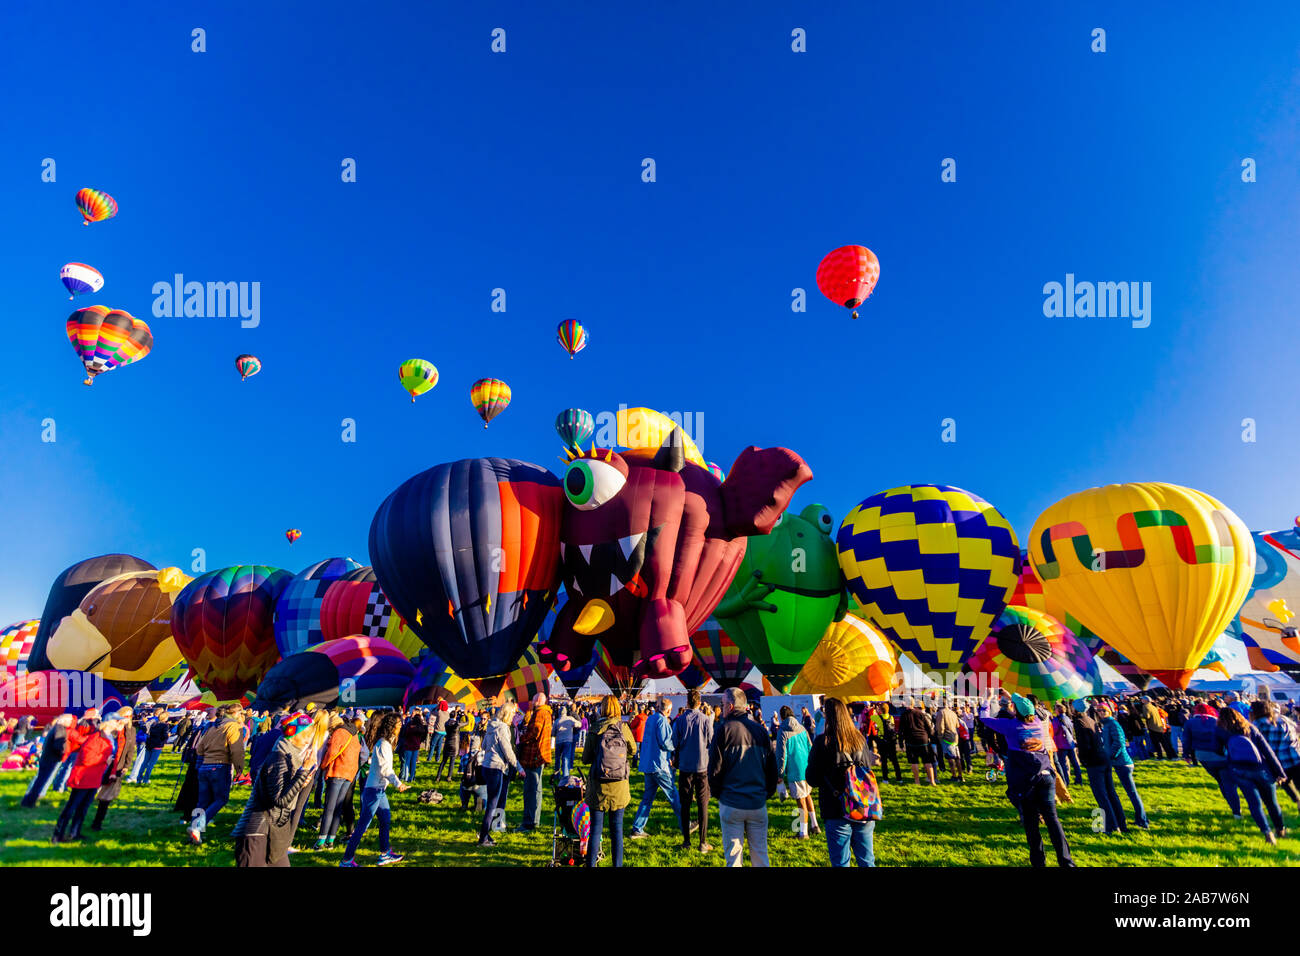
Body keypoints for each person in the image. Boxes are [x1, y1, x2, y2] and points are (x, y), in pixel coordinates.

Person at [979, 694, 1075, 867]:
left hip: (1026, 779)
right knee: (1052, 819)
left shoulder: (1011, 726)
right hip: (1045, 774)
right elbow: (1029, 706)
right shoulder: (1037, 722)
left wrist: (987, 702)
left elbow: (984, 719)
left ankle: (1039, 862)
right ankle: (1066, 861)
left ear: (1015, 710)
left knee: (1031, 823)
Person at [233, 712, 320, 866]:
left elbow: (284, 792)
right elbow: (280, 799)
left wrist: (301, 780)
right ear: (293, 735)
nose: (308, 740)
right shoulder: (278, 758)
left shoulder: (290, 758)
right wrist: (302, 773)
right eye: (306, 735)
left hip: (275, 829)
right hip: (257, 830)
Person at [708, 687, 777, 867]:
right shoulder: (761, 731)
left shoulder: (723, 730)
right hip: (756, 802)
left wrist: (719, 794)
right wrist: (766, 793)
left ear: (730, 706)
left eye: (722, 705)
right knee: (761, 854)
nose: (721, 709)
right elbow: (771, 768)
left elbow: (714, 770)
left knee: (733, 858)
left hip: (732, 802)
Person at [806, 697, 879, 866]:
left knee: (840, 862)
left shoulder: (822, 742)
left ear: (827, 716)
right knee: (867, 860)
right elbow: (867, 769)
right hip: (862, 804)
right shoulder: (859, 739)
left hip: (836, 807)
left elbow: (812, 778)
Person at [339, 712, 408, 866]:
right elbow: (385, 769)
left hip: (379, 790)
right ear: (392, 727)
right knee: (362, 827)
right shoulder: (383, 744)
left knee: (385, 819)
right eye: (398, 724)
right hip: (374, 791)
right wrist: (398, 784)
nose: (401, 726)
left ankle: (384, 854)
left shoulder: (386, 743)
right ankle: (346, 860)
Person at [1218, 706, 1288, 844]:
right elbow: (1268, 752)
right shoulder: (1250, 728)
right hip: (1261, 769)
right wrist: (1280, 772)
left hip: (1239, 770)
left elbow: (1217, 750)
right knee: (1272, 803)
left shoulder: (1221, 731)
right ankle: (1280, 830)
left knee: (1254, 804)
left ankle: (1267, 833)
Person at [583, 695, 638, 867]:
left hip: (598, 787)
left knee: (595, 831)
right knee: (617, 830)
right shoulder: (623, 728)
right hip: (619, 787)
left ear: (602, 709)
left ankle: (591, 864)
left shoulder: (595, 728)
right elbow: (633, 749)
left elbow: (585, 758)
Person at [52, 713, 121, 844]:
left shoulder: (108, 738)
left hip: (94, 778)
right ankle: (58, 835)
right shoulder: (96, 738)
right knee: (71, 807)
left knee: (83, 809)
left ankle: (74, 833)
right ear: (109, 722)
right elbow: (86, 759)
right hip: (83, 778)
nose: (118, 724)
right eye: (116, 721)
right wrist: (105, 761)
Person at [188, 704, 246, 844]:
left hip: (205, 766)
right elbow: (236, 750)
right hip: (220, 766)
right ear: (236, 714)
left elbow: (199, 748)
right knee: (221, 798)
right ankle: (198, 827)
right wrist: (239, 768)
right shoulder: (233, 727)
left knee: (202, 801)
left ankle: (194, 831)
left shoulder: (213, 726)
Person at [630, 697, 680, 838]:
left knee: (648, 798)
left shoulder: (651, 719)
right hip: (660, 765)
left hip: (648, 764)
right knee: (673, 795)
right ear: (669, 710)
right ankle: (685, 823)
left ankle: (637, 828)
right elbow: (665, 742)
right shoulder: (662, 721)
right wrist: (675, 746)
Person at [672, 688, 713, 853]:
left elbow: (674, 741)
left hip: (685, 767)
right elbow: (711, 741)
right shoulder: (705, 720)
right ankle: (703, 842)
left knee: (685, 804)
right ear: (699, 702)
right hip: (702, 766)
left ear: (687, 702)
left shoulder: (680, 721)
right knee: (703, 804)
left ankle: (686, 841)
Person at [1097, 702, 1150, 830]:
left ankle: (1142, 821)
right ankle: (1141, 819)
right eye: (1099, 710)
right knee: (1130, 792)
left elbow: (1120, 742)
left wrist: (1111, 757)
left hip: (1123, 763)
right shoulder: (1106, 725)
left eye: (1104, 710)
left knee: (1132, 792)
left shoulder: (1113, 724)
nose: (1101, 712)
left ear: (1110, 711)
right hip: (1118, 762)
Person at [315, 713, 361, 849]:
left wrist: (323, 766)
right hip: (349, 773)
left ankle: (321, 842)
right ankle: (331, 841)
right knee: (337, 808)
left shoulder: (339, 732)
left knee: (329, 808)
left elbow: (332, 752)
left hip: (338, 771)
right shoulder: (354, 734)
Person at [477, 701, 520, 847]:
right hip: (496, 767)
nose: (514, 716)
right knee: (492, 805)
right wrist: (519, 767)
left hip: (486, 766)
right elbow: (508, 751)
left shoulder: (490, 725)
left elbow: (483, 746)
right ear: (508, 714)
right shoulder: (502, 728)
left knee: (491, 802)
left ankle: (486, 834)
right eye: (513, 713)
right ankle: (483, 838)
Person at [89, 708, 136, 832]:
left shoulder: (131, 730)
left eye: (130, 716)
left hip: (117, 767)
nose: (127, 718)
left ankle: (97, 822)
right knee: (91, 791)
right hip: (104, 765)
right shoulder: (112, 730)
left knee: (107, 796)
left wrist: (127, 765)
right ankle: (81, 813)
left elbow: (130, 749)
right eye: (125, 715)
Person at [775, 705, 818, 838]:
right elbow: (810, 746)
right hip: (807, 768)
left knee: (800, 802)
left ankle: (803, 833)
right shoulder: (802, 728)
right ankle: (814, 825)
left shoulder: (783, 731)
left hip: (795, 771)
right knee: (807, 796)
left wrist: (780, 774)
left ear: (782, 717)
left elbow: (782, 755)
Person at [1251, 699, 1300, 810]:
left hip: (1277, 762)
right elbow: (1296, 730)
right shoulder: (1283, 718)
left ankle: (1297, 800)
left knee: (1285, 783)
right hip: (1295, 756)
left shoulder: (1258, 724)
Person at [515, 694, 553, 833]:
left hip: (533, 756)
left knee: (530, 790)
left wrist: (520, 739)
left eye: (533, 700)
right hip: (541, 755)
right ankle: (535, 820)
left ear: (537, 701)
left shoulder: (539, 714)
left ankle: (528, 823)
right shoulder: (548, 713)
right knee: (537, 789)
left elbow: (534, 733)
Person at [22, 714, 72, 807]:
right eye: (69, 721)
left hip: (47, 757)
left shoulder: (56, 728)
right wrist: (63, 753)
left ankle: (28, 800)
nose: (70, 723)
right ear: (65, 721)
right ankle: (29, 801)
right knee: (41, 781)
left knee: (40, 780)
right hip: (51, 758)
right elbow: (58, 745)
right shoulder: (60, 729)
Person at [898, 701, 936, 786]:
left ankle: (917, 781)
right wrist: (930, 737)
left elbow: (901, 731)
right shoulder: (920, 713)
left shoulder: (904, 715)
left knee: (914, 762)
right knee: (927, 761)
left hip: (911, 740)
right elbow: (928, 727)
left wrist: (901, 743)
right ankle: (932, 781)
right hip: (923, 739)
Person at [133, 711, 170, 785]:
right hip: (157, 746)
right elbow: (164, 736)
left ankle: (139, 778)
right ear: (165, 718)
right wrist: (168, 736)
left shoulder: (154, 724)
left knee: (145, 762)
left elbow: (148, 732)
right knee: (151, 764)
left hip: (149, 744)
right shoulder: (165, 726)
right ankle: (146, 780)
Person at [1051, 703, 1084, 785]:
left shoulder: (1056, 720)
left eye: (1055, 709)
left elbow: (1054, 731)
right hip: (1070, 743)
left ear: (1058, 710)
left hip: (1061, 744)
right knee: (1075, 762)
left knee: (1062, 764)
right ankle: (1079, 779)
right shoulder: (1068, 718)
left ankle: (1066, 781)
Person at [398, 710, 426, 782]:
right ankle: (412, 777)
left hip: (408, 746)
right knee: (413, 763)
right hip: (416, 746)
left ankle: (407, 777)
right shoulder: (420, 727)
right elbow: (423, 735)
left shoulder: (409, 726)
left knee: (407, 762)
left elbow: (405, 733)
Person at [435, 708, 463, 782]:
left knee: (443, 761)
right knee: (452, 761)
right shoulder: (456, 724)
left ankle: (438, 776)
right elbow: (466, 722)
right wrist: (463, 715)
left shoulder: (446, 723)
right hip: (454, 743)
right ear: (455, 716)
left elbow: (451, 722)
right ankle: (449, 777)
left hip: (447, 742)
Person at [553, 704, 580, 780]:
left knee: (557, 759)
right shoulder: (570, 719)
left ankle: (557, 775)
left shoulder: (557, 721)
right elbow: (579, 724)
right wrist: (574, 726)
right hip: (568, 741)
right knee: (565, 758)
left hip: (558, 741)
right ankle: (565, 776)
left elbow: (553, 733)